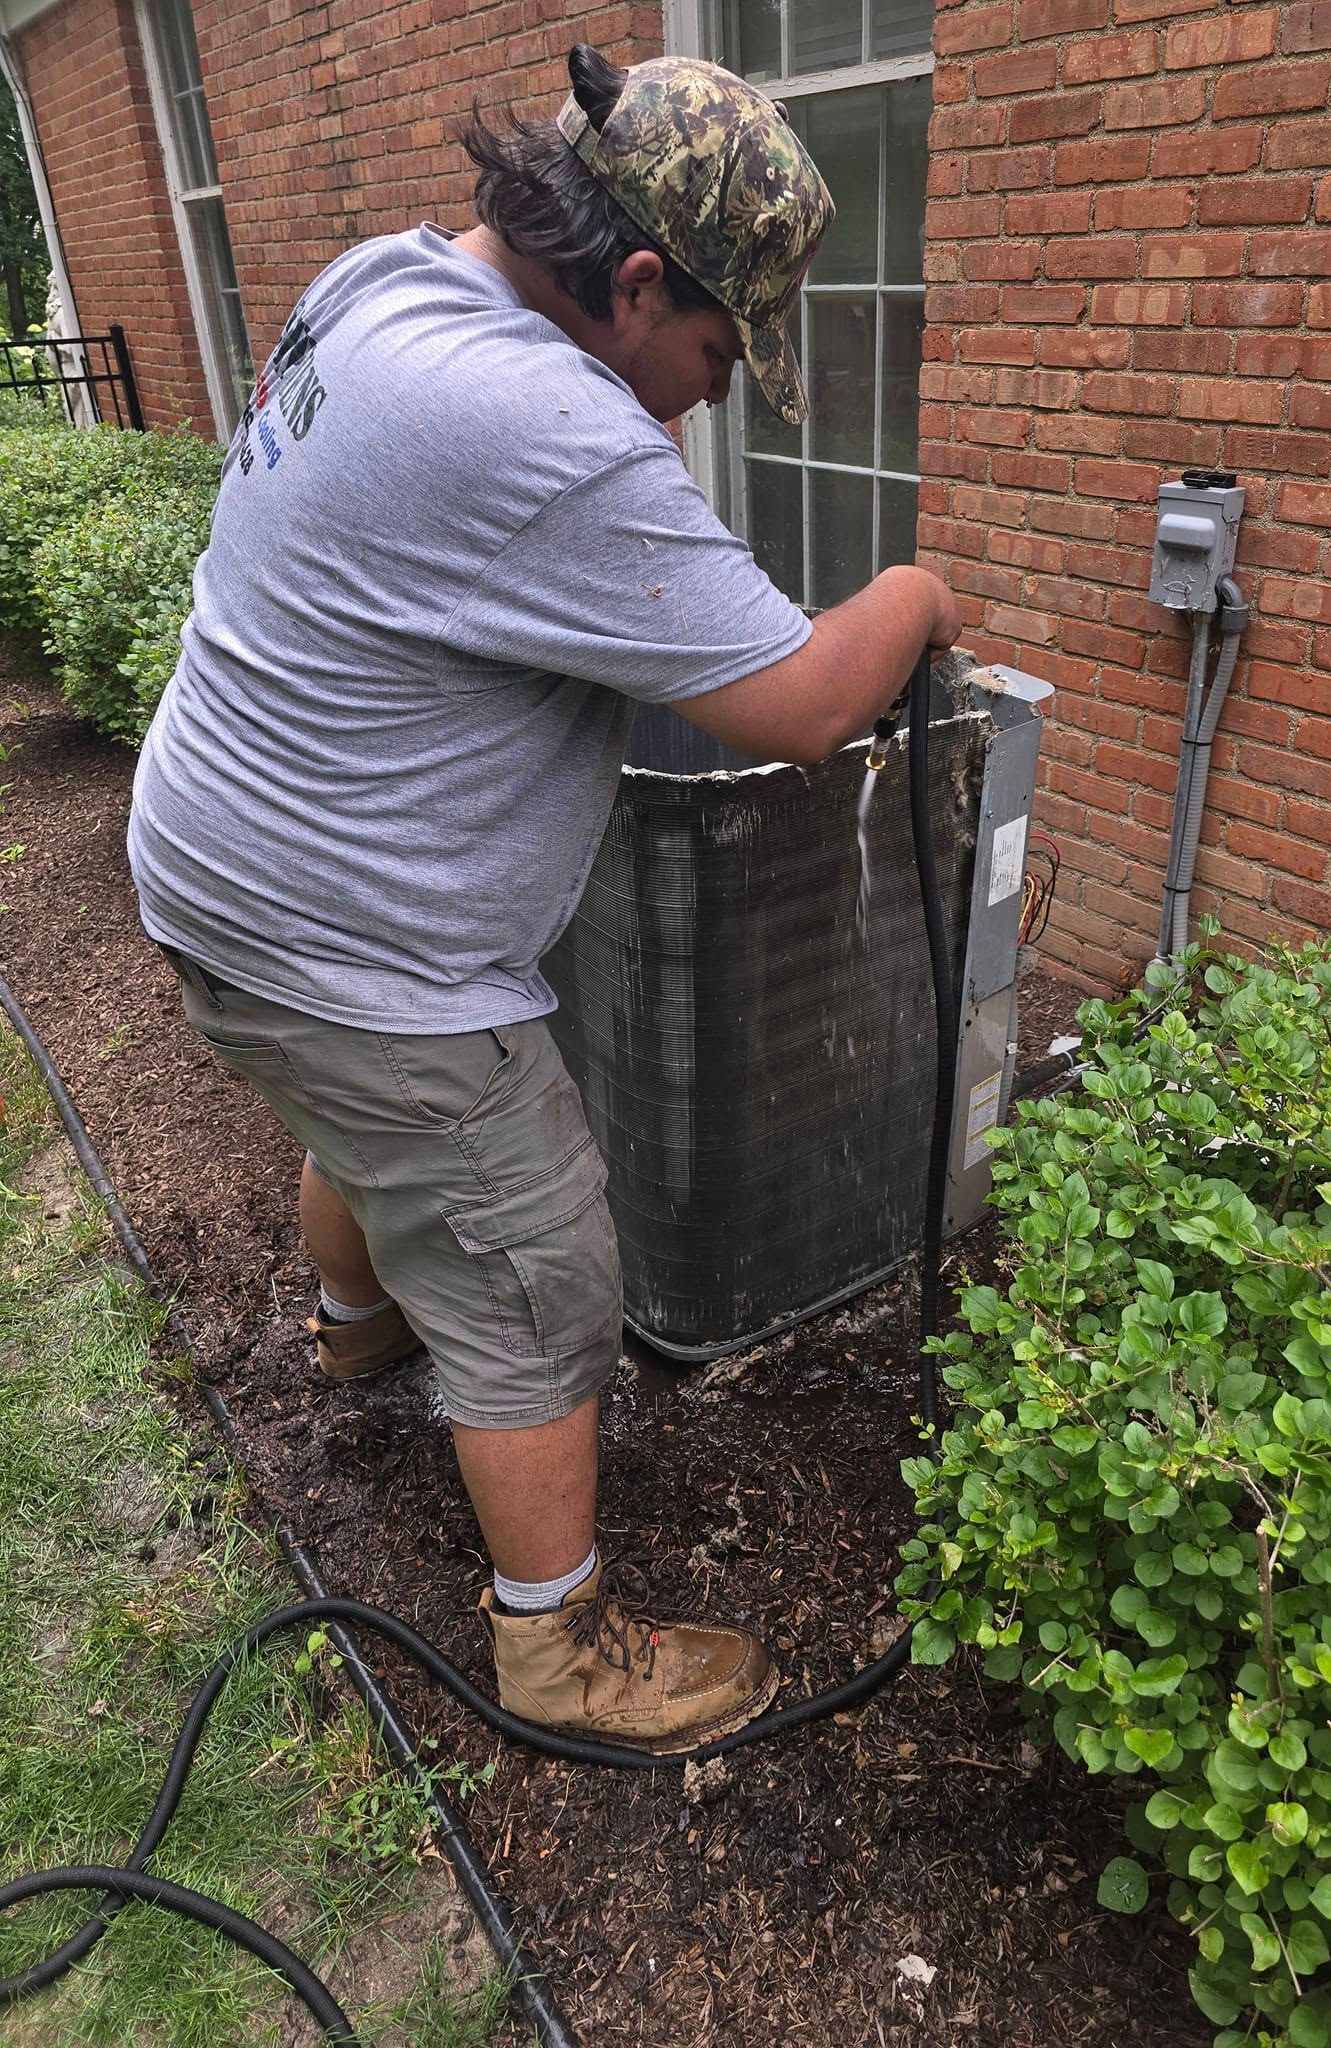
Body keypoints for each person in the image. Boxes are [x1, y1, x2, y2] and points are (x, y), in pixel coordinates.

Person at [128, 43, 961, 1755]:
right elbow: (808, 702)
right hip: (349, 940)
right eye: (721, 351)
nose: (714, 397)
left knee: (371, 1124)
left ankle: (356, 1338)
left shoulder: (390, 278)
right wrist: (918, 586)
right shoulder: (548, 427)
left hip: (222, 866)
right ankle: (559, 1650)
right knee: (529, 1258)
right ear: (638, 281)